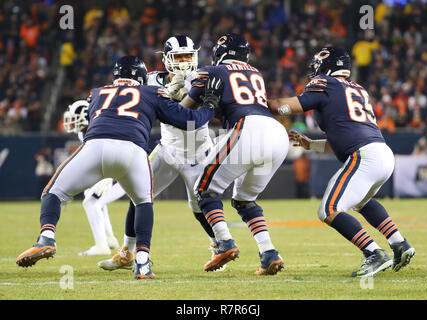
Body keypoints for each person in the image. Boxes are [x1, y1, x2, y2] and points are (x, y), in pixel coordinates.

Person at [16, 55, 220, 280]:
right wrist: (209, 106)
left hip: (94, 147)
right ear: (142, 77)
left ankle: (46, 237)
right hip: (132, 151)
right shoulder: (152, 92)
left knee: (52, 192)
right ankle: (141, 262)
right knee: (142, 202)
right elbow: (187, 120)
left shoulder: (96, 93)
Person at [268, 47, 415, 277]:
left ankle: (374, 253)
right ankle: (399, 243)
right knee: (363, 202)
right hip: (382, 153)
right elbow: (343, 136)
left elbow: (286, 107)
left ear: (327, 67)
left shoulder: (325, 85)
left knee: (328, 209)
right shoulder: (357, 88)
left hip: (364, 156)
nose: (314, 71)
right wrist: (312, 144)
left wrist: (265, 104)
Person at [98, 35, 225, 272]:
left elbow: (184, 108)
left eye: (189, 56)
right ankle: (127, 251)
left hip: (198, 154)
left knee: (199, 207)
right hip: (167, 150)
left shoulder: (203, 78)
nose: (185, 61)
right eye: (179, 57)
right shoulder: (150, 80)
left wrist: (174, 91)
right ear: (166, 59)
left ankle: (219, 247)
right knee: (139, 195)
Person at [180, 33, 289, 275]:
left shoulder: (212, 71)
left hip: (248, 129)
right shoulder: (256, 73)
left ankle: (225, 243)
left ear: (219, 53)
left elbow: (184, 109)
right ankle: (269, 252)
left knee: (204, 189)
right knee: (244, 200)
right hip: (277, 132)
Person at [63, 100, 122, 256]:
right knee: (93, 196)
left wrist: (109, 177)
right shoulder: (84, 131)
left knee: (90, 203)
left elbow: (118, 151)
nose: (71, 122)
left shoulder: (100, 128)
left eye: (74, 117)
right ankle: (110, 239)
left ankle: (101, 246)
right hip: (113, 168)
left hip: (124, 169)